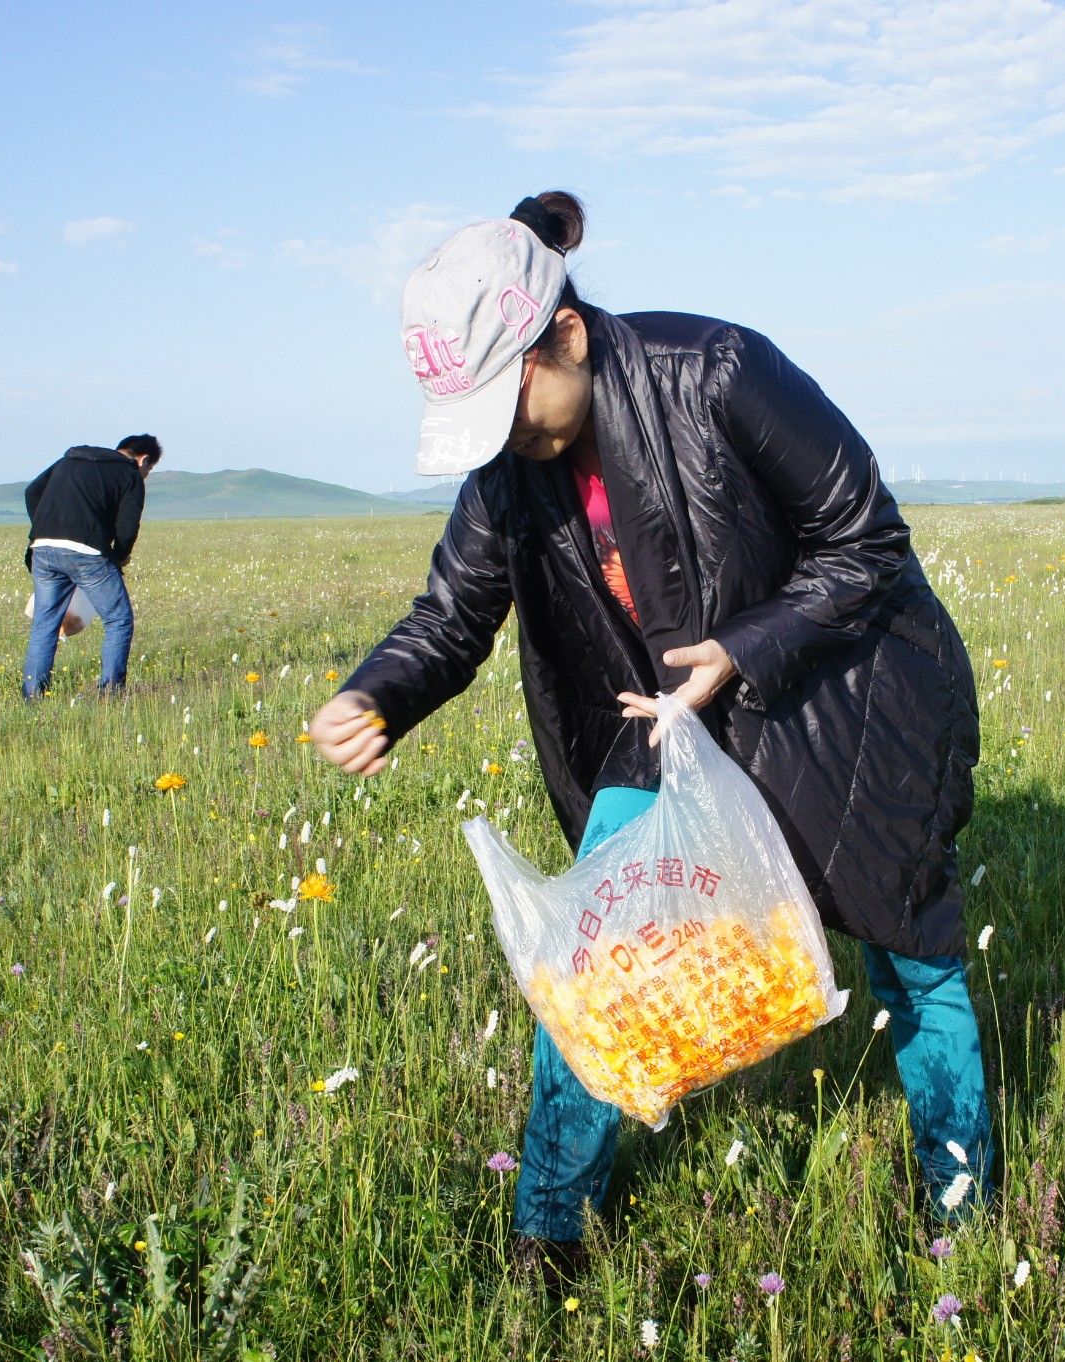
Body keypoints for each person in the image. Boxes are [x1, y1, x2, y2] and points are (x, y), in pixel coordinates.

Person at [310, 192, 987, 1266]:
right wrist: (378, 695)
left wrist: (745, 646)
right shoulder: (512, 465)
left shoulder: (716, 371)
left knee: (912, 959)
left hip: (837, 710)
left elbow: (865, 540)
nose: (510, 442)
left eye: (512, 408)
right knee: (591, 972)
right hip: (666, 730)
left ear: (564, 338)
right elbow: (451, 614)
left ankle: (959, 1226)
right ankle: (548, 1231)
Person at [20, 434, 160, 698]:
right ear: (143, 460)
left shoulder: (70, 461)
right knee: (118, 619)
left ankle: (32, 696)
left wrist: (45, 526)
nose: (146, 474)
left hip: (42, 547)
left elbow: (32, 492)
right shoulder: (129, 475)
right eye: (149, 469)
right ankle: (110, 694)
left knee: (44, 624)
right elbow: (128, 528)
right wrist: (119, 556)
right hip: (86, 552)